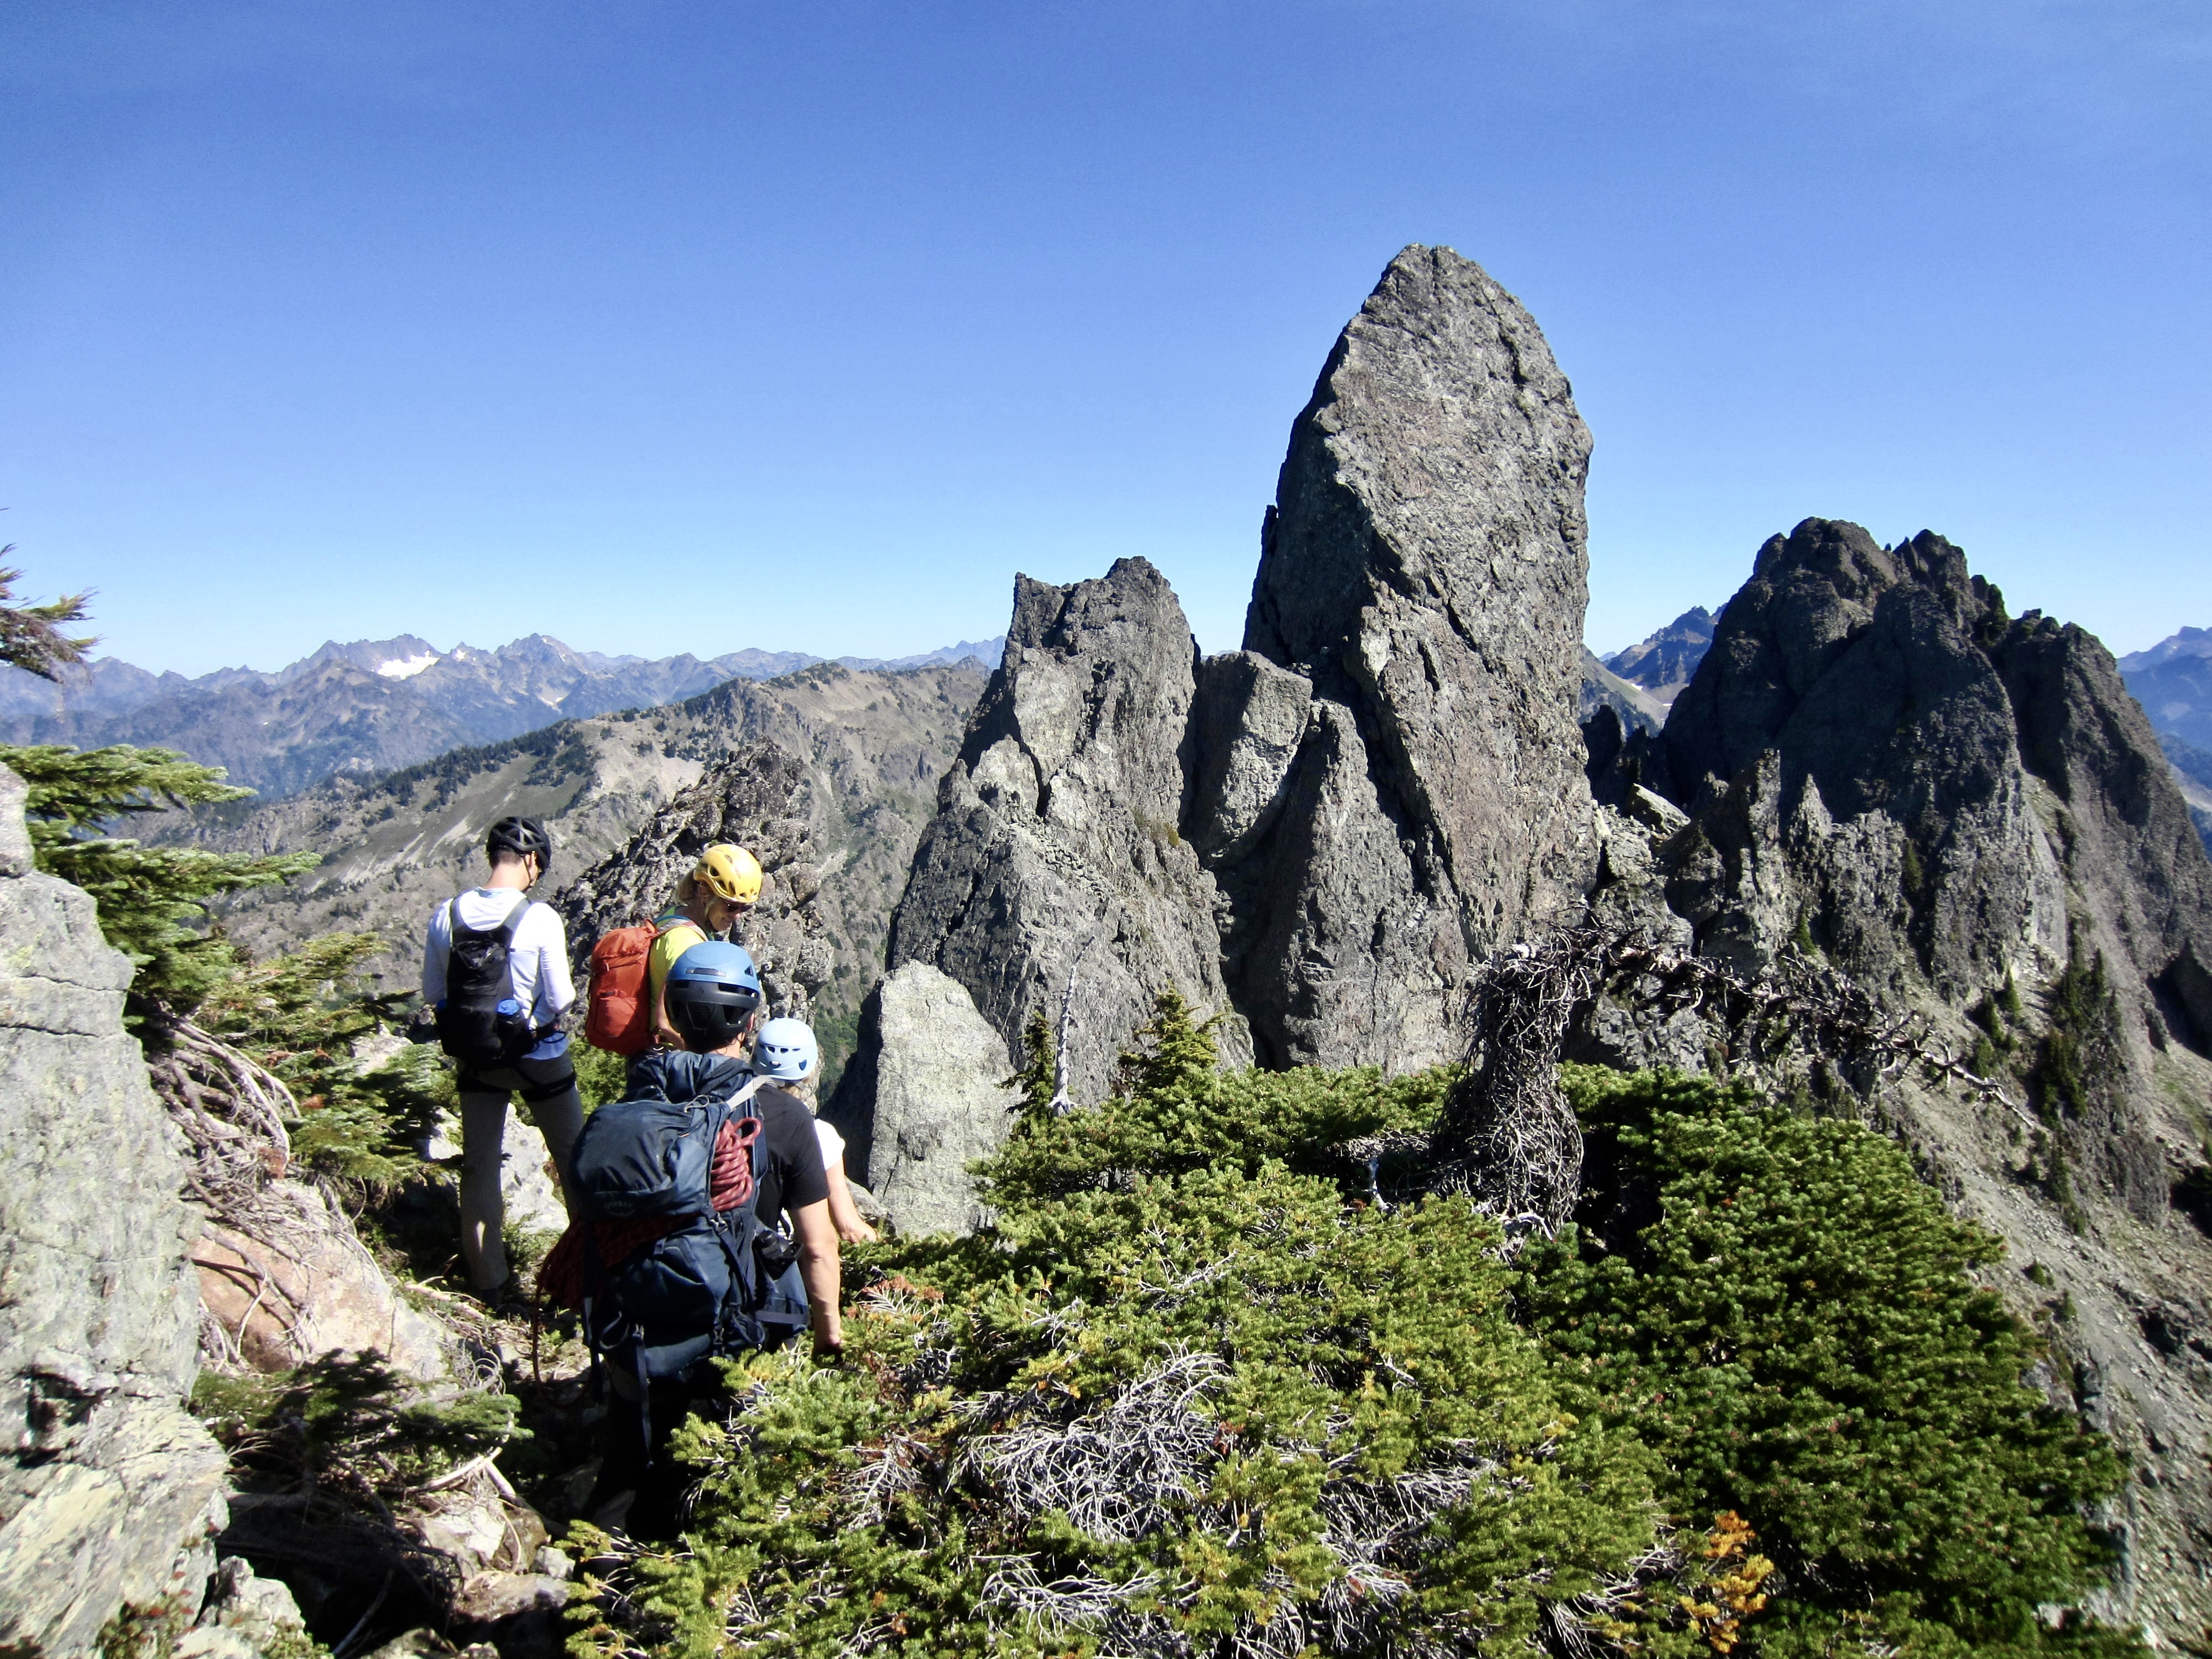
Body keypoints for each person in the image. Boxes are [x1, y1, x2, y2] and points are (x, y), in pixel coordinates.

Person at [573, 941, 840, 1537]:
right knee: (724, 1466)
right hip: (730, 1329)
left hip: (633, 1320)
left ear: (668, 1014)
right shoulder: (785, 1117)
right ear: (749, 1023)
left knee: (628, 1462)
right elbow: (819, 1247)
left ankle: (593, 1573)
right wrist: (831, 1336)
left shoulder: (636, 1100)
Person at [420, 815, 584, 1299]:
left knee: (480, 1164)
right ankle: (587, 1277)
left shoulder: (445, 914)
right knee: (573, 1157)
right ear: (532, 862)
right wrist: (527, 1021)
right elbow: (563, 997)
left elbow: (433, 992)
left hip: (476, 1056)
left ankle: (488, 1280)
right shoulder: (539, 918)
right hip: (538, 1056)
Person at [752, 1017, 878, 1244]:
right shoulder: (820, 1135)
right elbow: (849, 1228)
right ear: (810, 1072)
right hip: (776, 1259)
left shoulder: (725, 1114)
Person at [646, 844, 763, 1048]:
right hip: (669, 1059)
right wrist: (704, 1060)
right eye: (730, 906)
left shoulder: (677, 914)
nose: (737, 915)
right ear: (703, 893)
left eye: (744, 907)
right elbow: (665, 1023)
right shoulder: (686, 946)